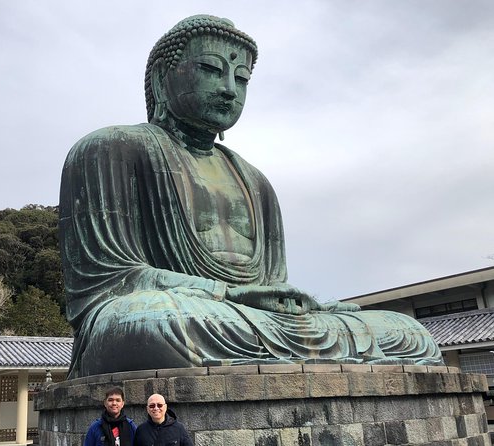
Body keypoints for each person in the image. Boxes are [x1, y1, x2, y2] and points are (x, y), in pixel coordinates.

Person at [59, 15, 442, 378]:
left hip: (248, 322)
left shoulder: (256, 181)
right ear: (162, 79)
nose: (228, 89)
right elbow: (112, 281)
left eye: (241, 79)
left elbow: (274, 285)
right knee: (152, 322)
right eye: (211, 70)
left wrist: (294, 306)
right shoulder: (109, 149)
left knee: (406, 331)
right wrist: (225, 292)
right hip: (175, 313)